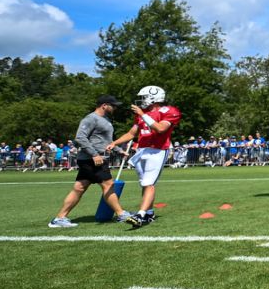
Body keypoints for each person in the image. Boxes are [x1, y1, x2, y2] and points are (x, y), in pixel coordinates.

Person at [49, 95, 133, 227]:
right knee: (108, 185)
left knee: (79, 188)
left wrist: (118, 150)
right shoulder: (91, 118)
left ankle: (59, 218)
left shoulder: (105, 120)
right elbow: (80, 137)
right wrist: (94, 154)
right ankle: (121, 214)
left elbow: (105, 141)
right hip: (92, 159)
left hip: (94, 159)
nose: (115, 108)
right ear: (104, 105)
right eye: (113, 105)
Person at [108, 85, 181, 228]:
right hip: (142, 150)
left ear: (153, 98)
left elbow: (160, 129)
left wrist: (142, 114)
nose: (141, 101)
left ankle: (140, 215)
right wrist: (114, 143)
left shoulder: (169, 111)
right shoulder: (142, 114)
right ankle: (149, 213)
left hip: (158, 150)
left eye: (144, 97)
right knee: (144, 183)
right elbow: (131, 134)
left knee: (149, 183)